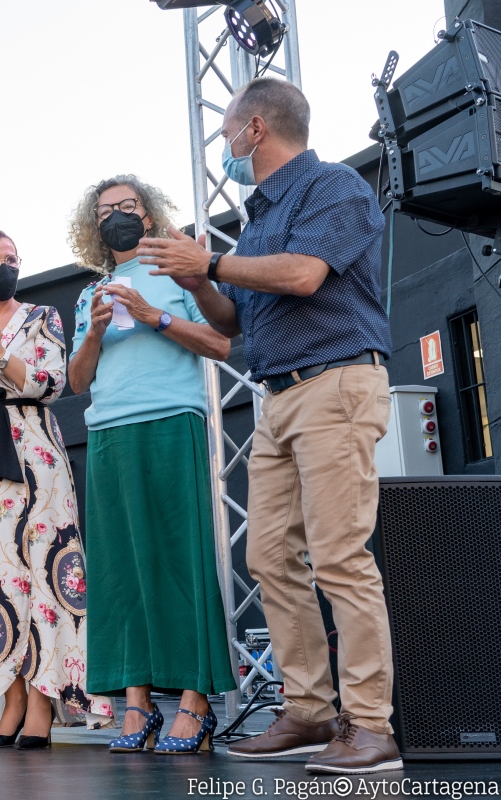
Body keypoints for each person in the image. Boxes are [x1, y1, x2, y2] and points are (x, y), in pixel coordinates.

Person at [139, 77, 399, 775]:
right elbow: (235, 325)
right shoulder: (256, 220)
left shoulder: (333, 187)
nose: (223, 144)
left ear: (255, 128)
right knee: (269, 559)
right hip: (279, 396)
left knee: (341, 556)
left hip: (336, 383)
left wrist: (214, 262)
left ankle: (371, 727)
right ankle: (310, 711)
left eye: (226, 130)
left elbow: (306, 274)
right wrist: (200, 285)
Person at [66, 176, 236, 755]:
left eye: (127, 206)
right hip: (110, 433)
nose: (117, 215)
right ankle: (136, 702)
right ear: (95, 226)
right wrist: (92, 332)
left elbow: (221, 342)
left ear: (149, 213)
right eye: (106, 210)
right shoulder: (92, 292)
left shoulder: (175, 271)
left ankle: (195, 701)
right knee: (119, 570)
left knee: (180, 558)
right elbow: (77, 380)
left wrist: (152, 314)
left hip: (172, 421)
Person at [0, 228, 114, 749]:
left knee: (44, 573)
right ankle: (9, 703)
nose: (5, 265)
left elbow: (50, 382)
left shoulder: (44, 319)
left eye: (12, 258)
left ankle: (41, 703)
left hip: (36, 453)